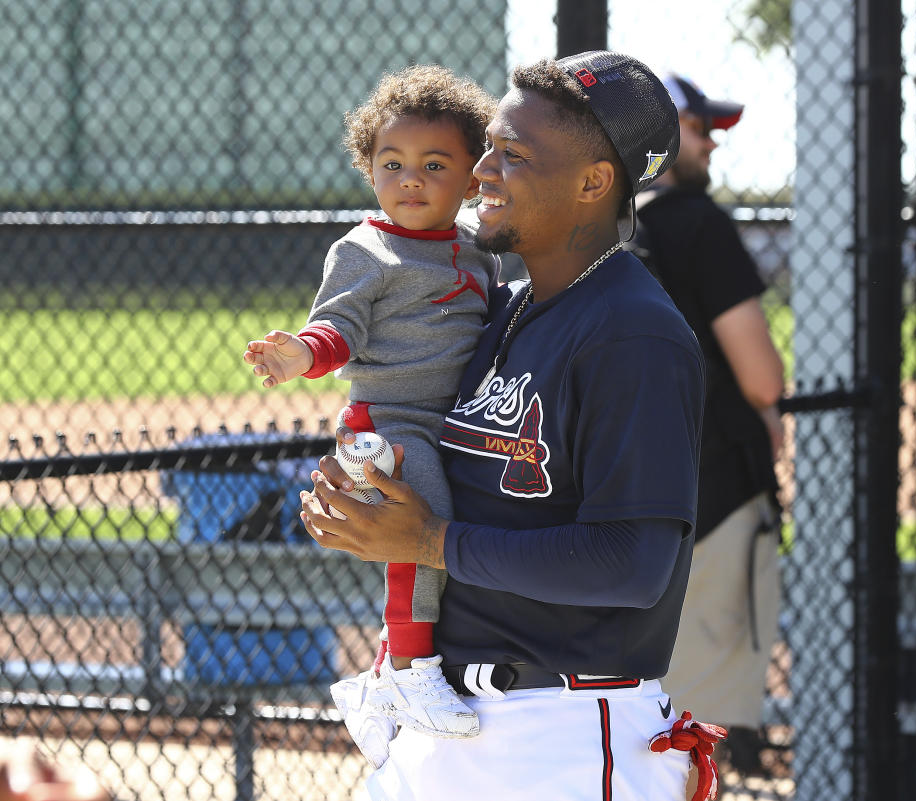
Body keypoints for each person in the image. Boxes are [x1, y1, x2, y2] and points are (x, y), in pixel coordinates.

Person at [300, 51, 725, 801]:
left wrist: (429, 541)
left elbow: (632, 563)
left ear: (594, 183)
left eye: (513, 153)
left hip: (558, 735)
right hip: (454, 722)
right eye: (490, 144)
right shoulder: (502, 308)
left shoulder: (632, 333)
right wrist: (372, 489)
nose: (482, 169)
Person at [242, 65, 501, 762]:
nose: (409, 178)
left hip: (453, 424)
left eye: (433, 164)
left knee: (461, 523)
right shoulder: (365, 249)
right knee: (424, 524)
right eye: (392, 163)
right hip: (387, 428)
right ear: (369, 168)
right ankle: (414, 670)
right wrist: (300, 354)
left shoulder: (477, 245)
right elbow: (336, 329)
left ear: (473, 177)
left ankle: (385, 673)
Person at [628, 73, 785, 779]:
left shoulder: (595, 231)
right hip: (715, 487)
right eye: (697, 128)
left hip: (618, 498)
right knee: (700, 722)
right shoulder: (697, 220)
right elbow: (761, 376)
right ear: (652, 138)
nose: (712, 143)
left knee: (637, 710)